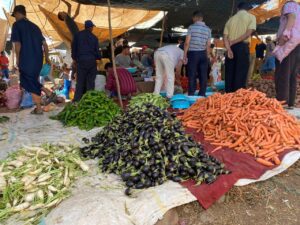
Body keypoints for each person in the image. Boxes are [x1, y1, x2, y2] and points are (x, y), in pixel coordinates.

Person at [11, 5, 55, 114]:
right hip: (38, 60)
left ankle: (47, 93)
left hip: (26, 58)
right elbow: (45, 45)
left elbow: (17, 44)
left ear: (17, 13)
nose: (14, 17)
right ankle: (39, 108)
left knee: (27, 82)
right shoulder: (35, 27)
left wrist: (17, 58)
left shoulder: (16, 25)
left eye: (14, 15)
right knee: (31, 82)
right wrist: (47, 58)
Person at [223, 2, 256, 93]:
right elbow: (248, 33)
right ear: (247, 9)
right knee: (241, 73)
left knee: (229, 73)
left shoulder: (230, 20)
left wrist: (229, 49)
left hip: (230, 48)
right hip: (242, 47)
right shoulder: (251, 17)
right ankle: (238, 97)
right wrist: (234, 42)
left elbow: (225, 37)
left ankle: (228, 96)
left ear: (237, 9)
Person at [274, 0, 300, 109]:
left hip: (288, 43)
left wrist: (285, 35)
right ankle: (290, 103)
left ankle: (282, 102)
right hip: (297, 43)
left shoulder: (289, 5)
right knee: (292, 74)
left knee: (283, 73)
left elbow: (292, 17)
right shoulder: (298, 7)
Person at [71, 20, 101, 101]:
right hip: (91, 62)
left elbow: (73, 48)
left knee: (80, 82)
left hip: (81, 62)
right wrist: (99, 57)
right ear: (91, 27)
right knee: (90, 82)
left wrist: (74, 58)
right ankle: (89, 100)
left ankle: (76, 100)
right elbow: (97, 52)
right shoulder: (94, 38)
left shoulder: (77, 35)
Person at [184, 11, 211, 96]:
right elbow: (208, 44)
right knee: (203, 75)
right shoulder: (208, 29)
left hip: (193, 54)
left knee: (192, 74)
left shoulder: (191, 27)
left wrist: (184, 54)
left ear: (194, 18)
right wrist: (207, 56)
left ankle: (191, 94)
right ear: (202, 18)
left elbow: (187, 42)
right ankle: (202, 94)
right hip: (203, 54)